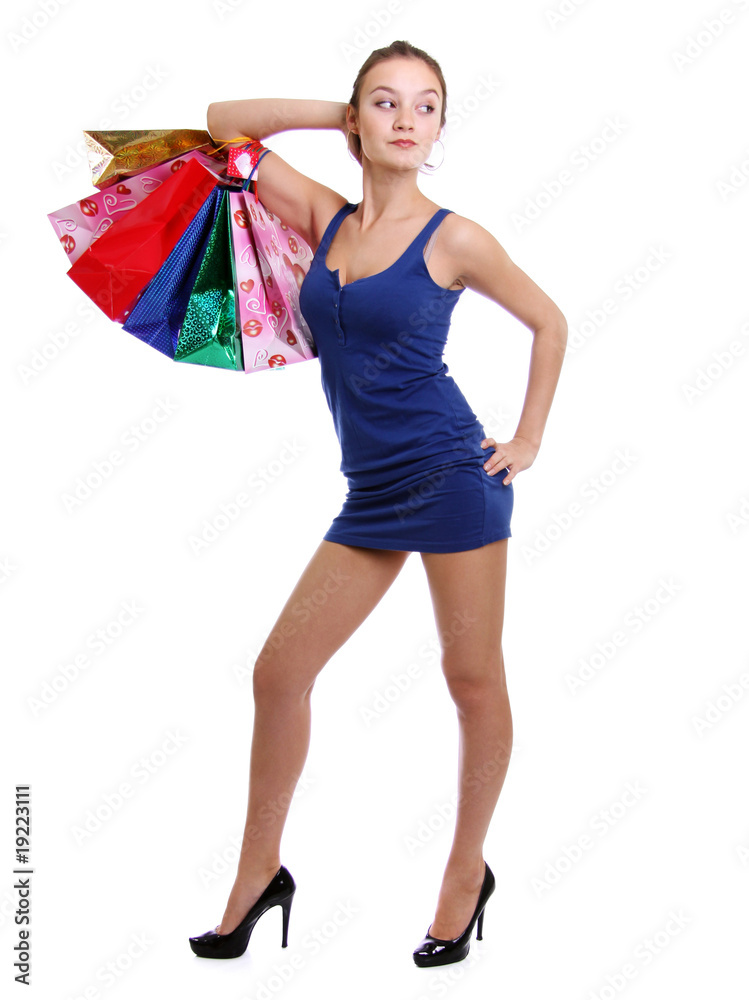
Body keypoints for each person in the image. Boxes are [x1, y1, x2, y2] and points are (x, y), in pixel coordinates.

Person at [189, 39, 567, 968]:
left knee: (471, 682)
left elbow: (550, 320)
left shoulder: (456, 238)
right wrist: (336, 116)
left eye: (425, 106)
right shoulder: (327, 219)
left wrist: (525, 441)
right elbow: (221, 125)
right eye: (385, 104)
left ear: (441, 128)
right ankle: (256, 873)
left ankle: (463, 872)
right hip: (369, 494)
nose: (406, 119)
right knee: (279, 674)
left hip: (450, 477)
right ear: (361, 119)